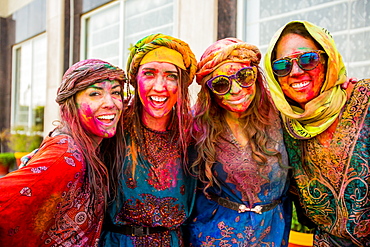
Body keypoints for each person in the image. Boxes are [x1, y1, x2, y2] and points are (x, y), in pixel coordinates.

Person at [264, 20, 370, 246]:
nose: (295, 72)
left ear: (327, 58)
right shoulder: (285, 125)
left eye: (308, 60)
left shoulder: (366, 100)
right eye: (282, 66)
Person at [0, 59, 127, 246]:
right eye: (95, 94)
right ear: (71, 104)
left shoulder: (90, 148)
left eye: (115, 92)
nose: (110, 103)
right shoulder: (66, 155)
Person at [186, 38, 291, 246]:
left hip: (272, 234)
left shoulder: (282, 114)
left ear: (255, 76)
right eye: (221, 84)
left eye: (244, 77)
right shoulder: (196, 127)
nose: (235, 90)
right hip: (214, 236)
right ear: (210, 92)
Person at [99, 34, 198, 246]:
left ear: (181, 85)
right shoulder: (112, 126)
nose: (160, 87)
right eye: (149, 74)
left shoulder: (194, 133)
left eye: (171, 76)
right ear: (135, 79)